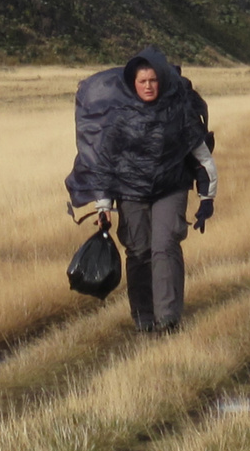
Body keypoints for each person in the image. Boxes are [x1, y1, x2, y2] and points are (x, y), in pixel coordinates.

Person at [68, 46, 217, 334]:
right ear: (133, 84)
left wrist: (206, 198)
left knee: (165, 247)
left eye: (153, 80)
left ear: (160, 80)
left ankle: (169, 319)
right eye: (142, 81)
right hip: (130, 192)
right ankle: (144, 318)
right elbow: (105, 164)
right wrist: (103, 206)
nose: (148, 86)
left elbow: (203, 157)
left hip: (170, 188)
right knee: (138, 252)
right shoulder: (119, 118)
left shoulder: (179, 113)